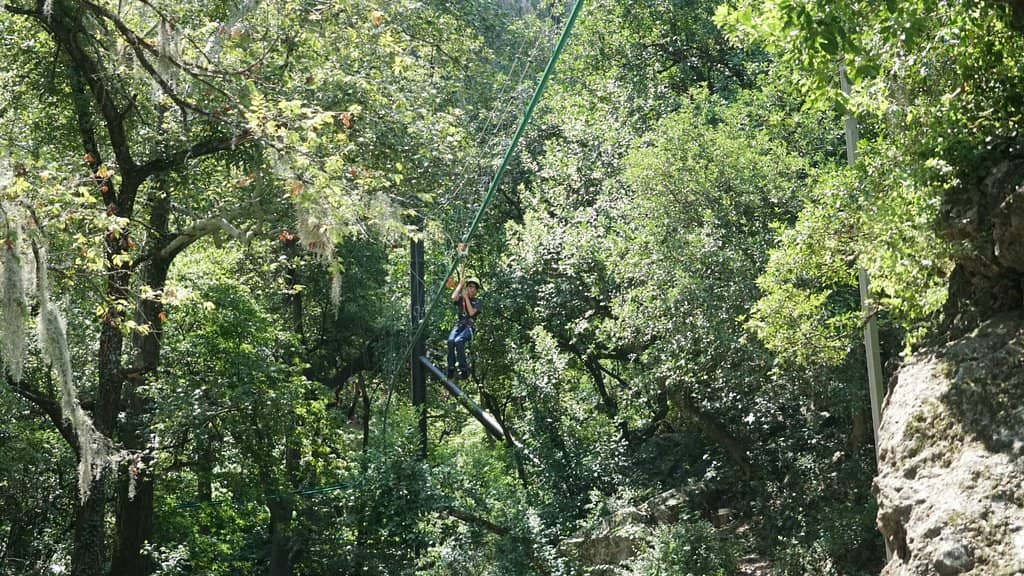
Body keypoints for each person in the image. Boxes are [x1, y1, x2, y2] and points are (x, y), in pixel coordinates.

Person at [447, 255, 482, 380]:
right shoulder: (462, 297)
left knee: (459, 341)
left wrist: (466, 297)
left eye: (474, 287)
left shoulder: (478, 302)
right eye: (470, 286)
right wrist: (460, 286)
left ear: (476, 290)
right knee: (451, 341)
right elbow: (453, 297)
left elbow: (472, 313)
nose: (471, 289)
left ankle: (464, 369)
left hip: (469, 327)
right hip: (459, 325)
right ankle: (451, 368)